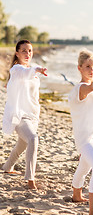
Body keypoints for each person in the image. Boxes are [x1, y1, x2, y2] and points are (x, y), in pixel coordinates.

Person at [2, 40, 47, 189]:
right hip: (19, 115)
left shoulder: (32, 72)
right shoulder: (17, 70)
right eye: (24, 51)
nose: (28, 54)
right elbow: (24, 73)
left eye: (30, 51)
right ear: (17, 53)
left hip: (33, 115)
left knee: (22, 144)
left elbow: (34, 95)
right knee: (33, 139)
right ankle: (30, 180)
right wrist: (38, 68)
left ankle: (7, 167)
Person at [68, 50, 93, 215]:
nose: (91, 70)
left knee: (84, 168)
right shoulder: (81, 89)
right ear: (79, 68)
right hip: (85, 139)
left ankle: (76, 195)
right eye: (87, 67)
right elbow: (88, 87)